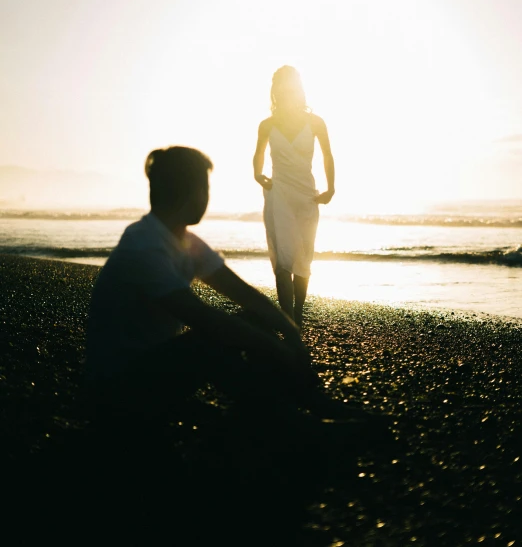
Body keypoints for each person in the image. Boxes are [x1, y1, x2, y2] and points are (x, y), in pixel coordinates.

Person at [85, 146, 346, 428]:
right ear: (193, 191)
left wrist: (289, 331)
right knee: (209, 339)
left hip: (151, 371)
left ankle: (308, 403)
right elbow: (203, 318)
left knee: (252, 320)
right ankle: (290, 423)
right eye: (205, 188)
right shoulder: (144, 245)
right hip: (117, 391)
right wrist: (275, 348)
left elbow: (244, 294)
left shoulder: (181, 240)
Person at [253, 66, 335, 327]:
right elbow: (258, 154)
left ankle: (297, 314)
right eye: (281, 87)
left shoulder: (315, 122)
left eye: (291, 86)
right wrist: (258, 174)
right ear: (276, 90)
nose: (287, 91)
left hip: (307, 196)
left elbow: (327, 155)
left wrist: (330, 188)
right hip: (278, 194)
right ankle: (288, 319)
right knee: (283, 259)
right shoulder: (267, 125)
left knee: (303, 258)